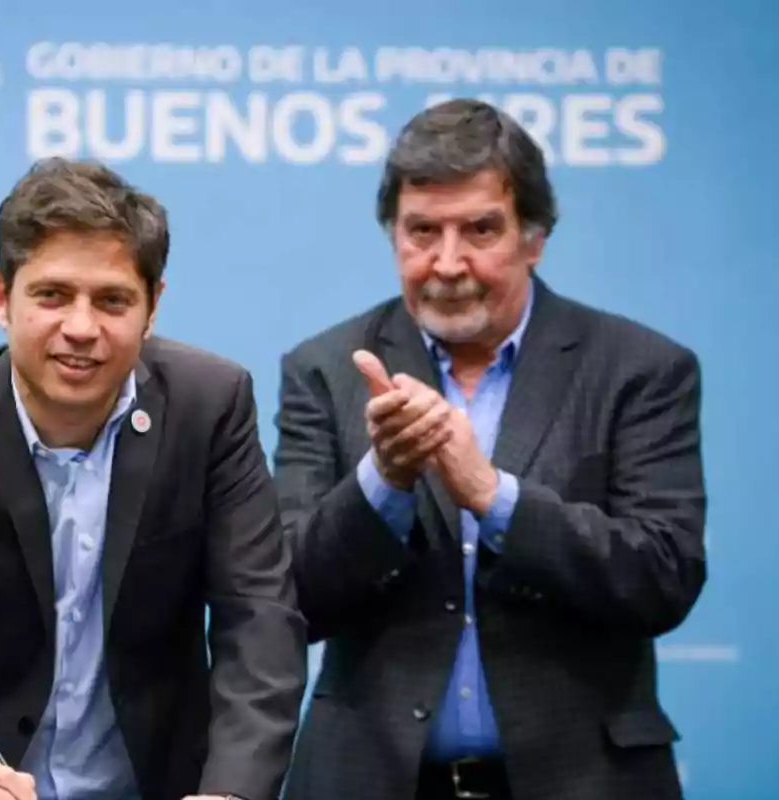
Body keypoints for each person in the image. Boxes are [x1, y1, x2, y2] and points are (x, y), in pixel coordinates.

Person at [0, 158, 307, 800]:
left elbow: (259, 619)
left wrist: (230, 793)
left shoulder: (211, 406)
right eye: (53, 295)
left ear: (153, 307)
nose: (81, 328)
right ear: (0, 296)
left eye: (113, 300)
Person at [273, 99, 706, 800]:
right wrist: (383, 483)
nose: (447, 262)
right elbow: (287, 599)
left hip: (584, 781)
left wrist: (493, 496)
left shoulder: (639, 369)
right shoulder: (326, 370)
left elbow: (662, 577)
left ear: (533, 238)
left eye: (479, 229)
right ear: (393, 236)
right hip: (373, 779)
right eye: (422, 232)